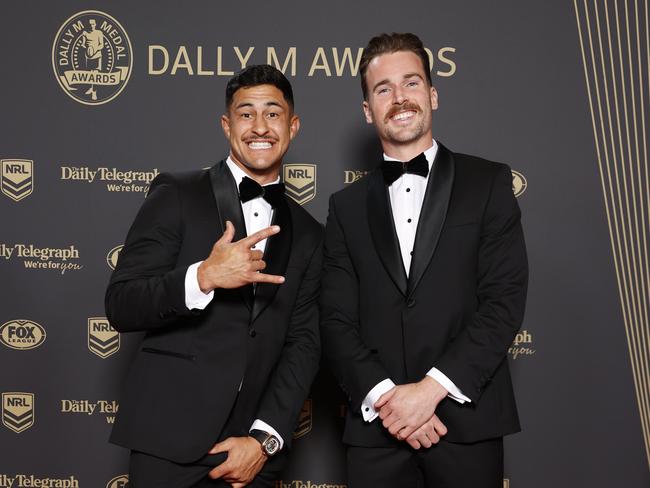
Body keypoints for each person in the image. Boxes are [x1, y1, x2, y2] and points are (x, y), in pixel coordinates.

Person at [320, 33, 528, 487]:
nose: (399, 99)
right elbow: (334, 319)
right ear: (367, 110)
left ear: (432, 94)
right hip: (378, 433)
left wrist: (430, 391)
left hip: (467, 424)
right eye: (383, 89)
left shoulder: (489, 183)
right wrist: (389, 402)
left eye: (411, 83)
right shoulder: (345, 207)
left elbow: (503, 301)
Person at [106, 65, 322, 488]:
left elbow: (303, 344)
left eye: (273, 114)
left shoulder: (311, 233)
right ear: (227, 126)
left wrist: (264, 441)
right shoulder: (177, 194)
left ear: (293, 126)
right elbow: (122, 303)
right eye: (246, 114)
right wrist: (201, 277)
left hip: (251, 456)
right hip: (167, 444)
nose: (260, 127)